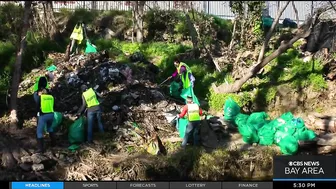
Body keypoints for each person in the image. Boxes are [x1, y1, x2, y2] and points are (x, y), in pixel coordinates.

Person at [36, 89, 56, 153]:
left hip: (43, 115)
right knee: (50, 128)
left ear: (42, 92)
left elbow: (37, 106)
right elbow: (55, 105)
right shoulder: (51, 97)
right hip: (51, 114)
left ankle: (40, 149)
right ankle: (53, 143)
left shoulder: (40, 97)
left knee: (39, 132)